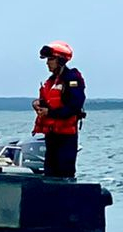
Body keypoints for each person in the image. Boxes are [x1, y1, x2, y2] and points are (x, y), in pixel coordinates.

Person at [32, 40, 85, 178]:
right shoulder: (51, 81)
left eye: (51, 59)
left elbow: (74, 106)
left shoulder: (72, 79)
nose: (47, 63)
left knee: (64, 172)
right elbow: (49, 101)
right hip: (51, 135)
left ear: (60, 60)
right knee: (50, 173)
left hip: (66, 136)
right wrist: (38, 104)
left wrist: (50, 112)